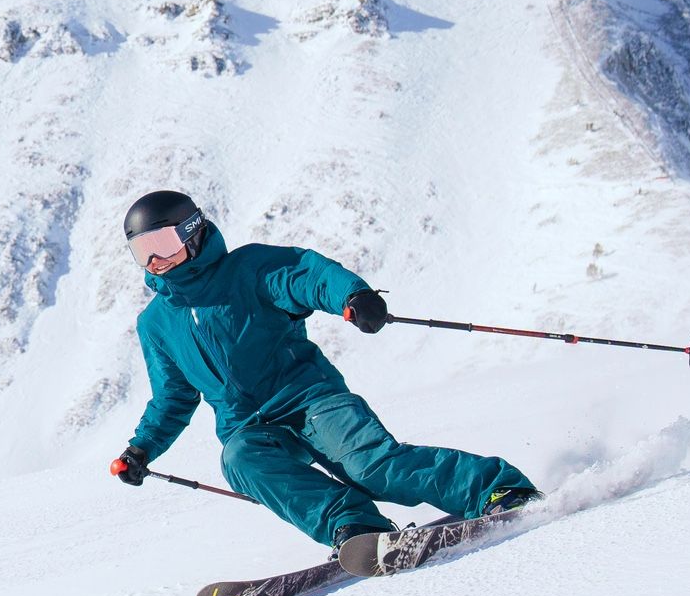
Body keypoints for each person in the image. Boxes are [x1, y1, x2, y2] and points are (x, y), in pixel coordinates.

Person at [108, 189, 537, 554]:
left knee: (372, 468)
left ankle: (496, 488)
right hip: (248, 427)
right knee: (239, 459)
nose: (155, 261)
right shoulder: (156, 323)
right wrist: (141, 449)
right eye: (142, 252)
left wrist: (354, 297)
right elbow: (173, 397)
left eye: (162, 244)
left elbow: (306, 275)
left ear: (191, 232)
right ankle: (358, 528)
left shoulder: (248, 269)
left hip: (311, 398)